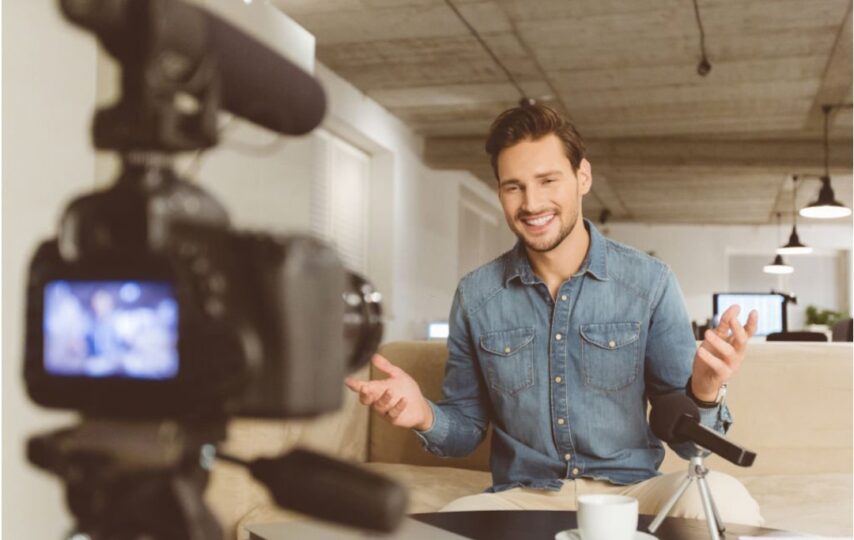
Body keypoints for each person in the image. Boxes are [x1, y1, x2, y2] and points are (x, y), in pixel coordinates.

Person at [345, 103, 763, 525]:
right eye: (514, 187)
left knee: (726, 500)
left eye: (547, 181)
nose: (531, 203)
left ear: (583, 177)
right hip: (524, 496)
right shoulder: (476, 296)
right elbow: (465, 431)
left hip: (632, 493)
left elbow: (690, 448)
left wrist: (705, 391)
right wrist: (423, 414)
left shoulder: (650, 282)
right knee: (442, 528)